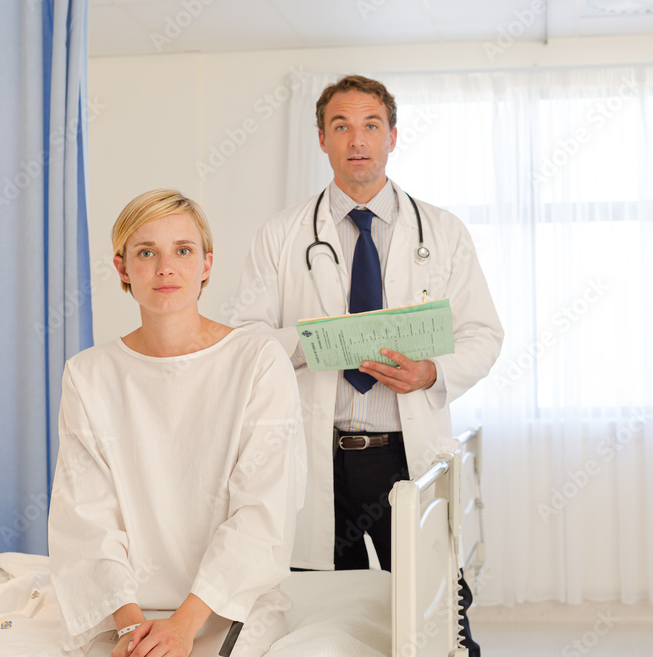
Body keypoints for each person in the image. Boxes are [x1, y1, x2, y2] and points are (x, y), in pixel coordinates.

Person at [228, 75, 503, 655]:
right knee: (322, 617)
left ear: (393, 136)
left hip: (404, 455)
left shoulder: (443, 232)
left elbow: (483, 334)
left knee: (438, 610)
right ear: (322, 140)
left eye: (371, 126)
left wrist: (431, 373)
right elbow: (245, 340)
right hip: (315, 456)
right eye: (342, 127)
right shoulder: (281, 235)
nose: (358, 140)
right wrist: (317, 345)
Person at [49, 189, 305, 657]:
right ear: (123, 268)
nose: (166, 268)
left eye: (182, 251)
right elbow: (85, 519)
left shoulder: (258, 360)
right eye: (147, 252)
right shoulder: (88, 375)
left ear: (206, 264)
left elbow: (262, 511)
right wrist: (133, 628)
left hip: (229, 604)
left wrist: (183, 625)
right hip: (125, 609)